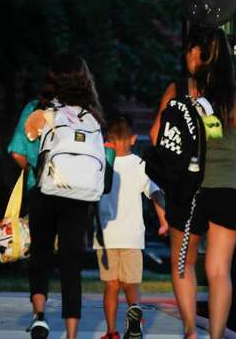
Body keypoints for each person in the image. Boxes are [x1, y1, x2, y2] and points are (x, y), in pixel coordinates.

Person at [149, 26, 236, 339]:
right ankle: (216, 335)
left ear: (199, 54)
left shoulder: (178, 91)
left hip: (189, 192)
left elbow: (156, 136)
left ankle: (192, 331)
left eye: (190, 50)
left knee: (184, 264)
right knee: (220, 271)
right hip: (231, 189)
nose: (186, 56)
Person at [20, 54, 111, 339]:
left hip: (47, 191)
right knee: (71, 263)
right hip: (80, 196)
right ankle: (72, 333)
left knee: (41, 254)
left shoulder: (45, 112)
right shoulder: (94, 117)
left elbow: (29, 136)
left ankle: (39, 316)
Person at [96, 113, 169, 339]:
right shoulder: (140, 165)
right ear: (133, 139)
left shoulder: (101, 165)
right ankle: (134, 314)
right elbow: (156, 193)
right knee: (132, 284)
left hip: (106, 237)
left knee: (111, 286)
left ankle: (111, 332)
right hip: (132, 237)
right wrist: (164, 220)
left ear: (107, 140)